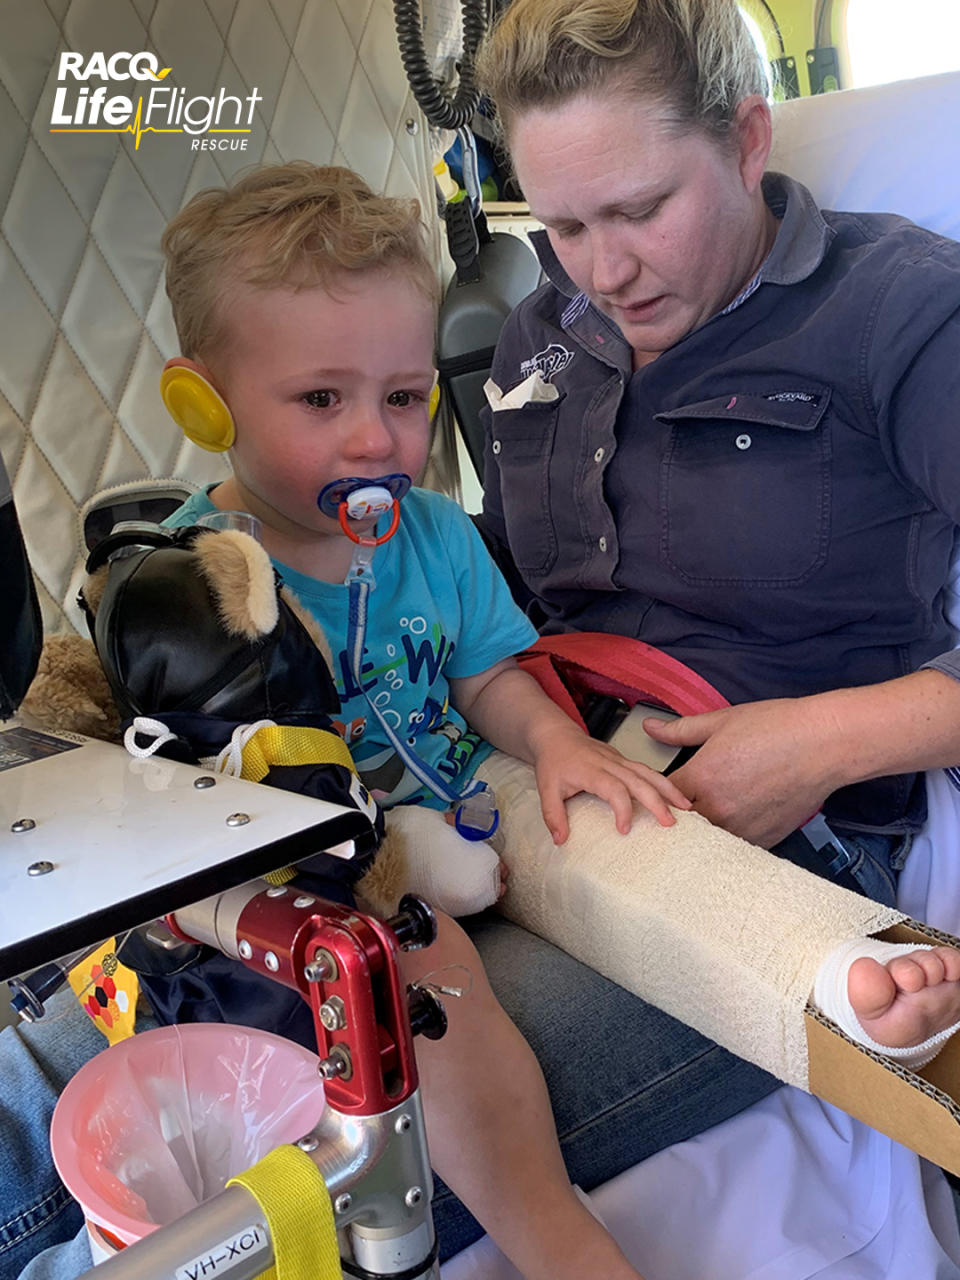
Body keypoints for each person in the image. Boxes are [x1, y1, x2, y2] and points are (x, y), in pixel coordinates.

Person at [7, 160, 960, 1280]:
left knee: (592, 846)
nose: (378, 441)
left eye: (404, 398)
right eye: (323, 400)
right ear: (203, 398)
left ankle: (797, 985)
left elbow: (489, 673)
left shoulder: (435, 541)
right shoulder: (196, 577)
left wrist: (555, 742)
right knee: (397, 982)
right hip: (300, 868)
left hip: (451, 815)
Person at [473, 0, 960, 903]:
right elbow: (493, 588)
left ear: (746, 142)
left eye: (642, 210)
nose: (605, 275)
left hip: (765, 852)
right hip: (534, 779)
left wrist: (819, 745)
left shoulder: (903, 317)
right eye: (567, 229)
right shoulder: (538, 338)